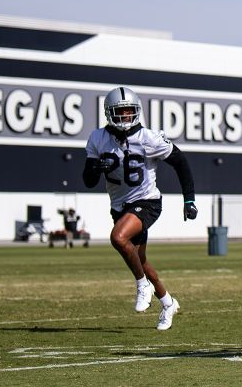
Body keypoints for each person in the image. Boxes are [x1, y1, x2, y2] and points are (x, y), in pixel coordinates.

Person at [83, 86, 199, 329]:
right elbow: (88, 180)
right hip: (120, 206)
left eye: (129, 111)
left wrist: (189, 199)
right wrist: (96, 168)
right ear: (109, 113)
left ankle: (141, 284)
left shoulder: (149, 138)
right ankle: (168, 303)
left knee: (118, 237)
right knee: (141, 258)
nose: (125, 116)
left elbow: (181, 162)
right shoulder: (98, 138)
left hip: (147, 202)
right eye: (120, 112)